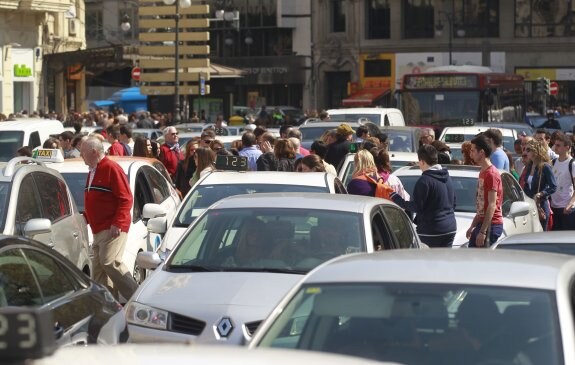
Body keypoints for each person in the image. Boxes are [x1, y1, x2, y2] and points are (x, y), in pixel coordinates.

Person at [80, 136, 138, 301]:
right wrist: (85, 217)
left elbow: (126, 198)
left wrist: (118, 222)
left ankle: (137, 298)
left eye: (83, 152)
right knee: (98, 270)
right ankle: (107, 306)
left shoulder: (111, 168)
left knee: (109, 262)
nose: (81, 155)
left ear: (93, 152)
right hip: (98, 229)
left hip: (112, 227)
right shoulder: (93, 170)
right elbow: (96, 201)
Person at [390, 145, 457, 247]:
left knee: (427, 261)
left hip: (431, 231)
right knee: (443, 261)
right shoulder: (447, 177)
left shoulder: (424, 180)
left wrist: (396, 198)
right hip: (450, 228)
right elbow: (453, 203)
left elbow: (416, 207)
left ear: (422, 162)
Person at [466, 135, 504, 247]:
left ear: (481, 152)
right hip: (482, 223)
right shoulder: (483, 172)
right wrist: (473, 226)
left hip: (492, 225)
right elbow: (482, 204)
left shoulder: (491, 174)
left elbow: (492, 205)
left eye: (473, 150)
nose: (470, 154)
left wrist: (482, 232)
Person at [522, 139, 557, 231]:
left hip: (540, 204)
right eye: (526, 149)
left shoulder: (545, 166)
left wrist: (541, 193)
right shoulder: (530, 166)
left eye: (528, 150)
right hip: (529, 204)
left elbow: (553, 186)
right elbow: (526, 185)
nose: (526, 152)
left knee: (540, 234)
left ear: (535, 151)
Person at [550, 132, 575, 230]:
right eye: (555, 145)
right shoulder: (553, 162)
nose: (555, 147)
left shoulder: (572, 164)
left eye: (558, 145)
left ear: (567, 147)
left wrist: (570, 204)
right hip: (554, 207)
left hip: (566, 209)